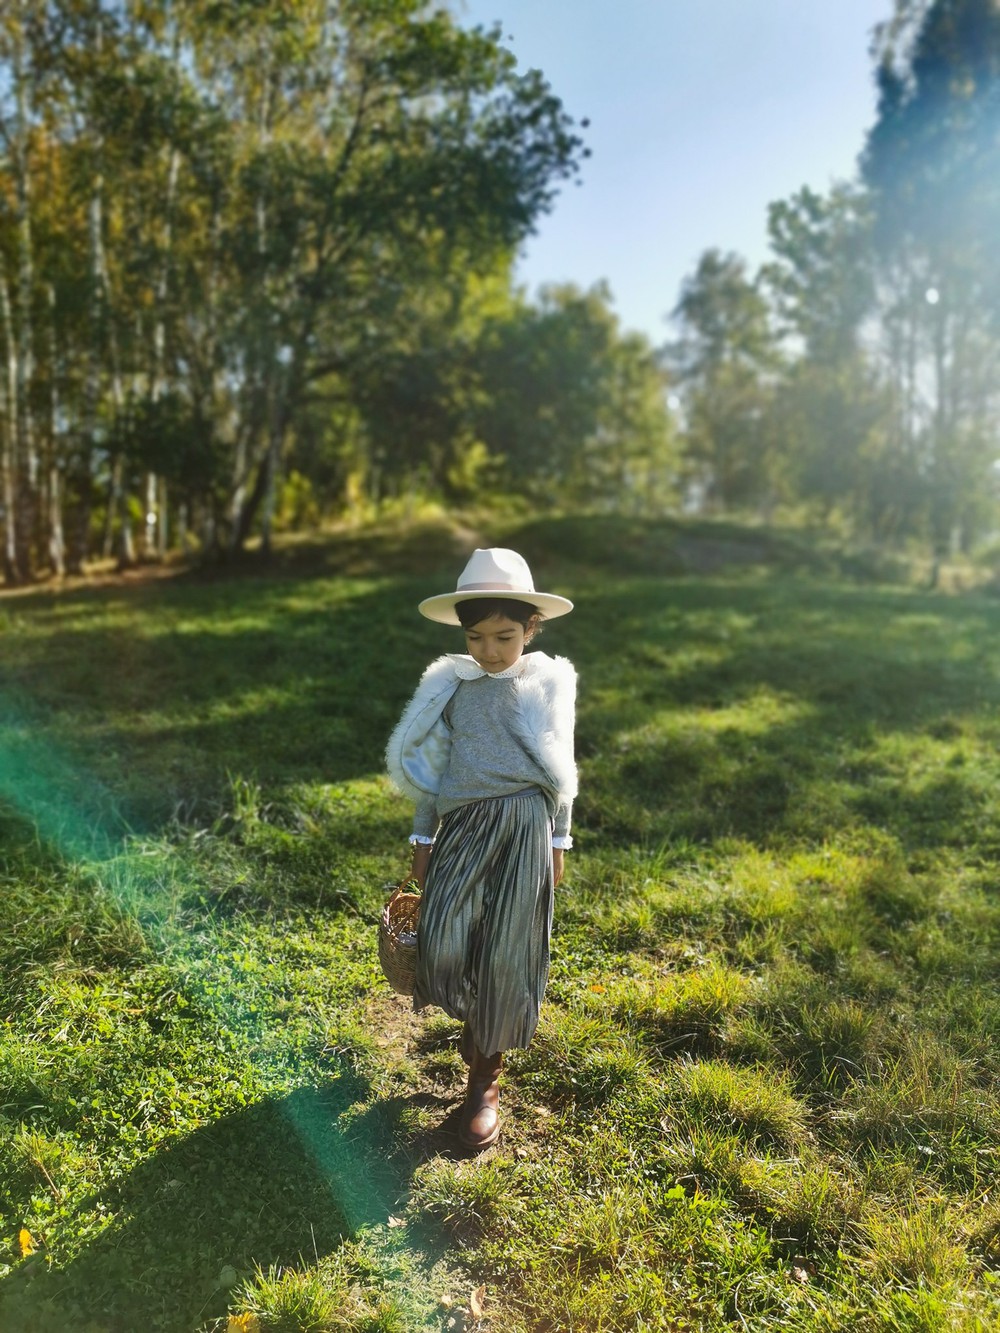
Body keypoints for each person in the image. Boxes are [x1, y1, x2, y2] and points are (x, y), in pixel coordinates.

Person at [385, 547, 577, 1149]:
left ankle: (484, 1079)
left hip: (523, 825)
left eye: (505, 636)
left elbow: (561, 768)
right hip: (462, 826)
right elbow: (429, 772)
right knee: (442, 939)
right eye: (476, 637)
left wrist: (558, 841)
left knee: (504, 955)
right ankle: (474, 1024)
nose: (490, 651)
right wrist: (421, 847)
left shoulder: (545, 685)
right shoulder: (452, 687)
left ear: (531, 629)